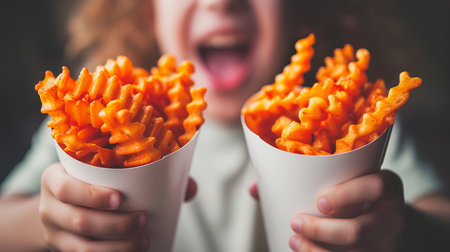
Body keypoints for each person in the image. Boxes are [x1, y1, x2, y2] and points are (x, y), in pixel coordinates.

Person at [1, 0, 449, 251]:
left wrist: (400, 226)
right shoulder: (88, 127)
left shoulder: (356, 122)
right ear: (144, 12)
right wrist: (47, 224)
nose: (222, 1)